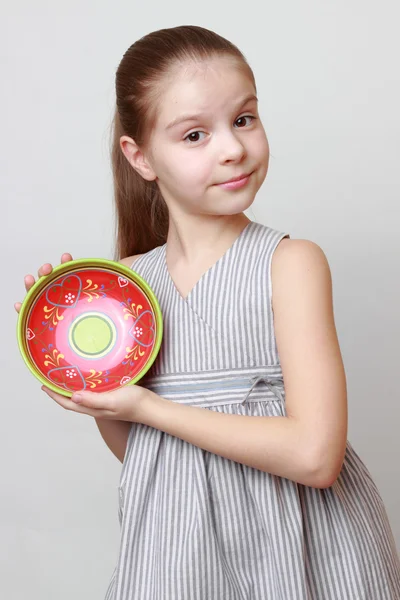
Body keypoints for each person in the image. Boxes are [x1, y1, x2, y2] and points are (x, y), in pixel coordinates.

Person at [15, 25, 400, 600]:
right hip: (177, 552)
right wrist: (91, 390)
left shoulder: (290, 264)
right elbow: (148, 458)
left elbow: (316, 457)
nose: (232, 148)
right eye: (195, 134)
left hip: (300, 553)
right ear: (140, 156)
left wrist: (145, 405)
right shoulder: (131, 288)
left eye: (243, 118)